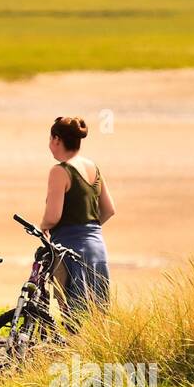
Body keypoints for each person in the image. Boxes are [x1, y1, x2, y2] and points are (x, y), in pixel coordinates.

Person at [40, 116, 113, 310]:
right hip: (97, 247)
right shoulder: (93, 168)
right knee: (98, 315)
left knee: (73, 315)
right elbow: (108, 209)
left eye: (50, 139)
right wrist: (88, 230)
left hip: (70, 249)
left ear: (57, 139)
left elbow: (53, 216)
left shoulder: (60, 171)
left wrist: (44, 226)